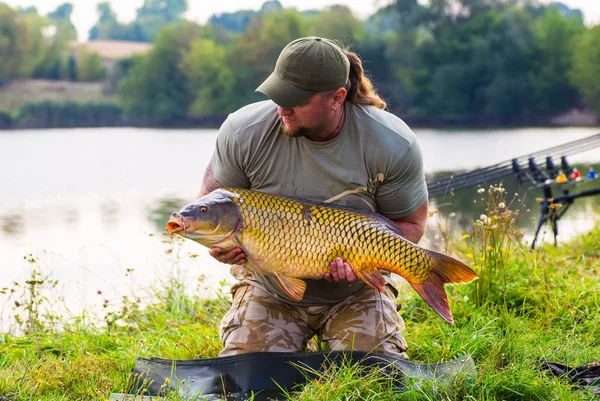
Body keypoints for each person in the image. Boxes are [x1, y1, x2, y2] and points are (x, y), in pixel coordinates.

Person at [199, 36, 429, 359]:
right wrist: (220, 245)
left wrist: (364, 258)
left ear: (337, 98)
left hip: (355, 291)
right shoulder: (243, 132)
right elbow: (210, 202)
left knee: (377, 379)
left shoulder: (392, 143)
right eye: (278, 95)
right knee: (246, 380)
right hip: (270, 287)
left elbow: (412, 223)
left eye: (296, 100)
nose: (282, 108)